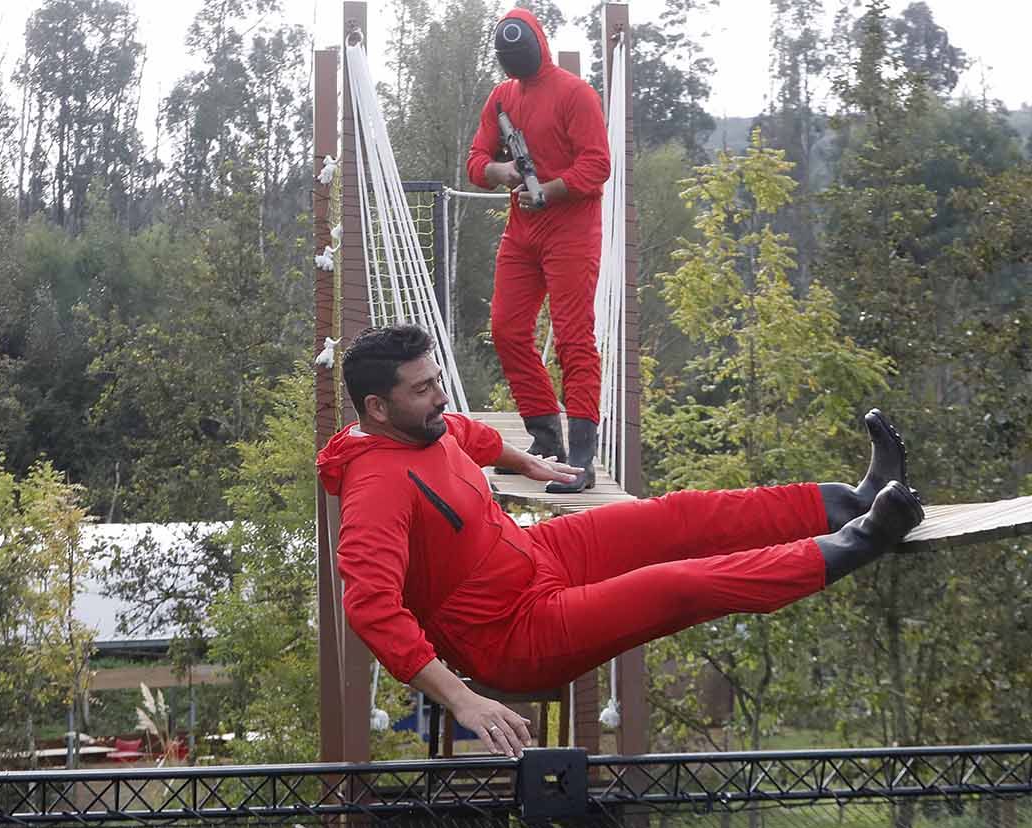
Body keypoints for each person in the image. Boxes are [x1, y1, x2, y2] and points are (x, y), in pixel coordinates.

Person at [317, 325, 925, 758]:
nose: (440, 397)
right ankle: (861, 539)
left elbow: (464, 433)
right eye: (422, 389)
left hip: (534, 556)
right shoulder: (374, 488)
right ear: (376, 407)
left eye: (435, 381)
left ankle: (848, 498)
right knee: (676, 585)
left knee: (671, 517)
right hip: (512, 634)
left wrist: (524, 462)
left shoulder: (421, 424)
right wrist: (462, 701)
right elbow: (370, 607)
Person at [465, 8, 610, 494]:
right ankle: (547, 439)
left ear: (536, 47)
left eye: (518, 57)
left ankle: (583, 457)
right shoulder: (502, 96)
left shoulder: (575, 93)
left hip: (572, 231)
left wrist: (548, 188)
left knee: (573, 338)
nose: (514, 67)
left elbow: (597, 166)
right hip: (523, 231)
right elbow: (476, 161)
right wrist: (500, 173)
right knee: (506, 330)